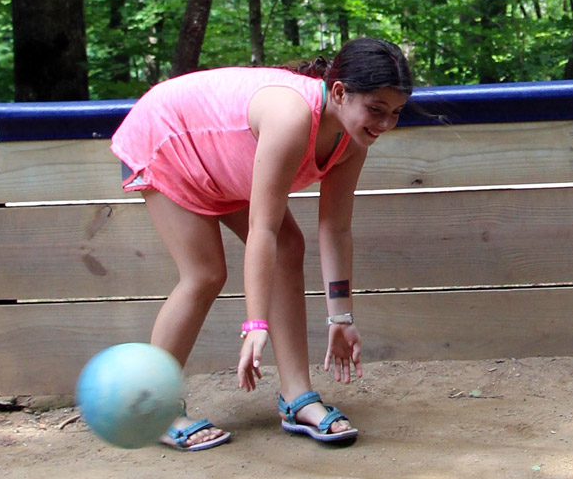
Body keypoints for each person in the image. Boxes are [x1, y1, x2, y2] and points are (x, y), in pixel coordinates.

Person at [110, 37, 413, 451]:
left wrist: (340, 317)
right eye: (376, 110)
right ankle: (153, 407)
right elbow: (262, 229)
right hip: (170, 140)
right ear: (340, 92)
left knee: (292, 247)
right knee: (204, 274)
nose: (384, 124)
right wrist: (255, 325)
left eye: (395, 113)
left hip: (223, 163)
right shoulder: (292, 117)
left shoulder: (352, 138)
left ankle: (296, 396)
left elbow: (335, 229)